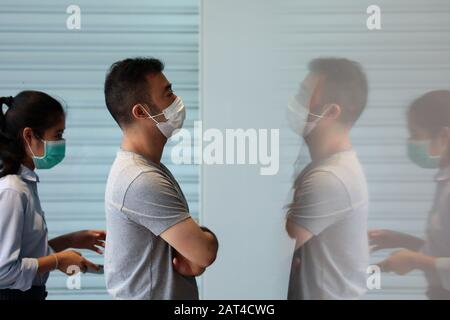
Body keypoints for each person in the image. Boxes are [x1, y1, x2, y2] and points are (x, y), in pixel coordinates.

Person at [103, 57, 218, 300]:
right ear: (141, 112)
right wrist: (204, 242)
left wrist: (196, 247)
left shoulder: (147, 168)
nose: (176, 101)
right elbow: (203, 252)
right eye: (168, 94)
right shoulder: (140, 179)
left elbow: (195, 254)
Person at [0, 91, 105, 300]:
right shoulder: (13, 190)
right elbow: (4, 271)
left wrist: (71, 240)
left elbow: (26, 254)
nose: (62, 142)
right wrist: (58, 260)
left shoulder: (25, 185)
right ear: (29, 135)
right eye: (57, 134)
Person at [285, 58, 370, 299]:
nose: (295, 102)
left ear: (331, 112)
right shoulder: (326, 167)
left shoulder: (331, 178)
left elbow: (275, 250)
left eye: (304, 95)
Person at [370, 90, 450, 299]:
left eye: (415, 134)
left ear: (444, 136)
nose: (411, 142)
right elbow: (443, 250)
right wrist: (402, 240)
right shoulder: (444, 180)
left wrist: (415, 261)